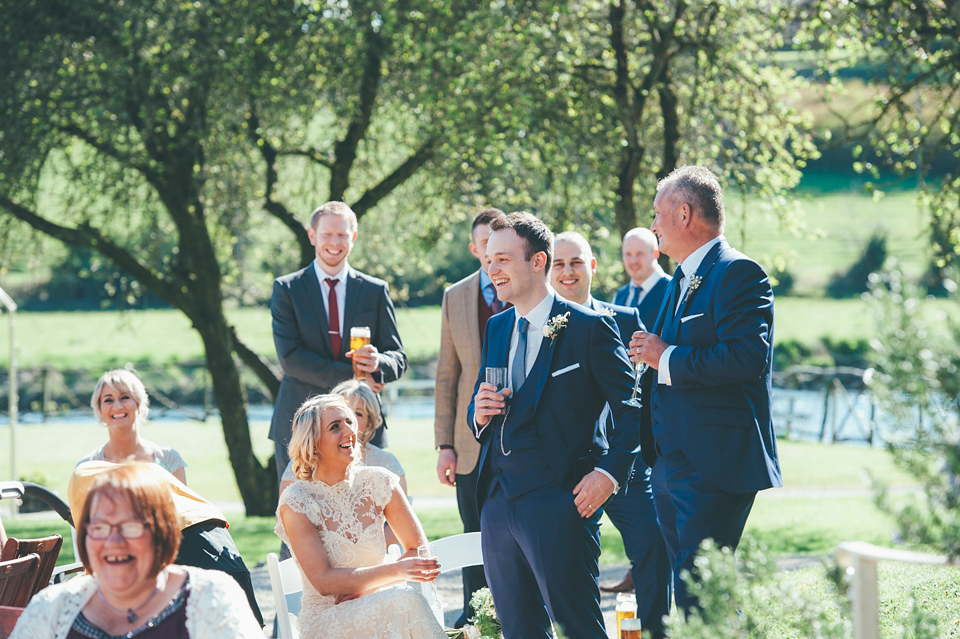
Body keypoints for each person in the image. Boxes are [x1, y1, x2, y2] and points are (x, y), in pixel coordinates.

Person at [468, 212, 640, 639]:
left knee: (579, 629)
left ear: (538, 261)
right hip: (497, 503)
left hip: (562, 503)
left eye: (504, 259)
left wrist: (609, 475)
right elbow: (484, 402)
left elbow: (635, 409)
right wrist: (479, 411)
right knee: (519, 632)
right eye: (490, 260)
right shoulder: (496, 327)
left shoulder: (589, 328)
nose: (493, 269)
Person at [628, 165, 782, 615]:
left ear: (684, 213)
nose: (652, 225)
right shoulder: (679, 279)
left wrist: (665, 357)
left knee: (700, 596)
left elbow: (746, 358)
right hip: (671, 465)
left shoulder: (740, 273)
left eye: (657, 214)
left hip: (716, 465)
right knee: (696, 594)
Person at [550, 231, 671, 639]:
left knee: (653, 548)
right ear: (546, 269)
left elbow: (641, 394)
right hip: (568, 471)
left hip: (626, 465)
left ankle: (655, 633)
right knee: (571, 563)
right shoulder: (540, 327)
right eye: (559, 264)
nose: (568, 272)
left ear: (593, 266)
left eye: (576, 262)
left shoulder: (624, 319)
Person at [10, 463, 263, 639]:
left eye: (130, 526)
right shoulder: (51, 610)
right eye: (98, 527)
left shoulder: (212, 599)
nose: (113, 541)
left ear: (161, 532)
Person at [275, 394, 446, 639]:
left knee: (402, 602)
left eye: (349, 422)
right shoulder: (297, 500)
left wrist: (370, 587)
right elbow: (324, 581)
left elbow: (420, 554)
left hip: (384, 601)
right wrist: (396, 571)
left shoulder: (379, 481)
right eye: (335, 427)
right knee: (403, 601)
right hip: (327, 618)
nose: (349, 432)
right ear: (313, 443)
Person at [270, 200, 407, 485]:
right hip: (302, 424)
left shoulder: (375, 290)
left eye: (342, 234)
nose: (335, 242)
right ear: (312, 236)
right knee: (302, 515)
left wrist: (378, 364)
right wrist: (356, 380)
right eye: (327, 234)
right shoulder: (287, 289)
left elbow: (398, 356)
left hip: (363, 425)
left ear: (353, 237)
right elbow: (291, 359)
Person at [433, 207, 503, 626]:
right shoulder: (455, 295)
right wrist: (445, 444)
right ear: (475, 247)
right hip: (467, 440)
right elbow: (447, 375)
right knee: (472, 530)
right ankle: (475, 618)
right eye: (483, 244)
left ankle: (520, 612)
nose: (489, 253)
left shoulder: (523, 287)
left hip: (518, 433)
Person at [280, 379, 406, 495]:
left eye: (357, 414)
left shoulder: (387, 465)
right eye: (337, 419)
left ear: (370, 424)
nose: (349, 424)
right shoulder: (303, 463)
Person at [80, 369, 187, 484]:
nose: (117, 406)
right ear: (100, 409)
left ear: (138, 403)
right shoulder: (87, 467)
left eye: (124, 397)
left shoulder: (169, 460)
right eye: (108, 400)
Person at [614, 227, 671, 330]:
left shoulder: (673, 290)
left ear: (655, 253)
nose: (633, 260)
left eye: (640, 254)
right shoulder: (619, 296)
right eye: (628, 254)